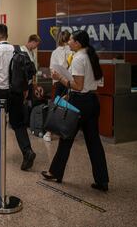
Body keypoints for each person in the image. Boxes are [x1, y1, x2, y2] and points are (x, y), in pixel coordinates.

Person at [41, 30, 109, 192]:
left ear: (78, 43)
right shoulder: (91, 56)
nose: (68, 42)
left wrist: (60, 78)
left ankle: (55, 172)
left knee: (66, 137)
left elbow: (77, 85)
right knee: (94, 142)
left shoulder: (79, 59)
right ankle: (102, 180)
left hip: (80, 102)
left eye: (71, 40)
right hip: (92, 101)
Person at [0, 24, 36, 171]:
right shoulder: (19, 50)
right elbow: (27, 73)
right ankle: (27, 151)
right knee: (18, 124)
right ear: (6, 35)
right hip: (17, 92)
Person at [43, 30, 72, 142]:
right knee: (66, 107)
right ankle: (59, 131)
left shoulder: (55, 52)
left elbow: (52, 70)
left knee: (56, 107)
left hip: (59, 82)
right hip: (69, 82)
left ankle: (49, 132)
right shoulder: (71, 51)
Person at [21, 34, 41, 107]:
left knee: (30, 103)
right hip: (23, 83)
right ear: (32, 42)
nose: (36, 47)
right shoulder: (21, 51)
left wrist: (35, 84)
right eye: (36, 44)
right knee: (23, 103)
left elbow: (34, 70)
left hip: (30, 83)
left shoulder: (33, 54)